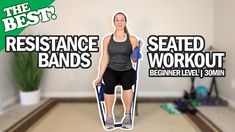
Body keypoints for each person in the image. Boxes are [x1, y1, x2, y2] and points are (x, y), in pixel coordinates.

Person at [94, 12, 138, 130]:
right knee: (108, 84)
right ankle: (109, 116)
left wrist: (138, 50)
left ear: (125, 22)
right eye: (117, 20)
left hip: (127, 69)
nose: (119, 22)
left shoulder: (132, 39)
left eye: (122, 20)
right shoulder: (107, 39)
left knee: (128, 85)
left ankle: (127, 116)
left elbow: (134, 60)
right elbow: (104, 58)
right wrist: (99, 77)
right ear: (114, 22)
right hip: (111, 69)